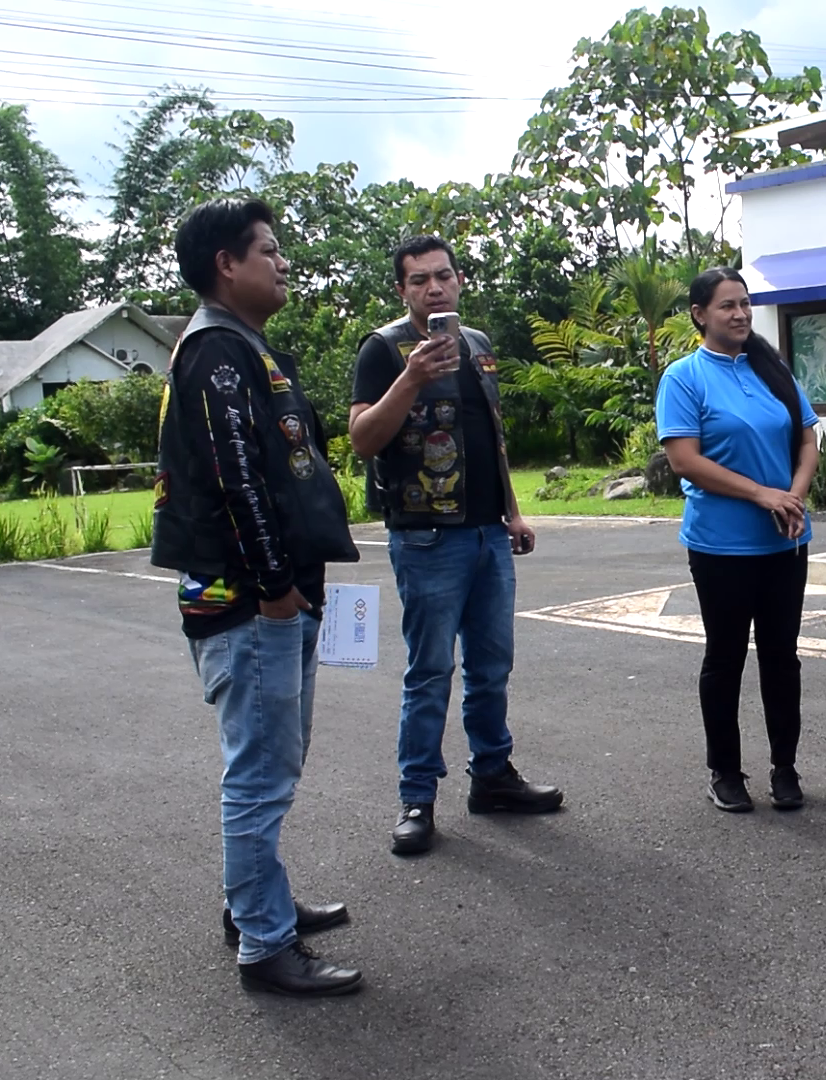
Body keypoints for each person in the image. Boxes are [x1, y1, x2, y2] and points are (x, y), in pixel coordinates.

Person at [151, 197, 363, 996]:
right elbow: (236, 477)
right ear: (226, 265)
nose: (282, 263)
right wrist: (275, 589)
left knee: (274, 763)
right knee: (260, 774)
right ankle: (265, 945)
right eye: (268, 250)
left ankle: (255, 903)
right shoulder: (217, 353)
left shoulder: (240, 347)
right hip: (250, 604)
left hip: (271, 596)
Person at [348, 236, 563, 856]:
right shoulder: (383, 349)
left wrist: (513, 512)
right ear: (402, 290)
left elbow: (491, 435)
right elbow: (363, 438)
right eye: (419, 280)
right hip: (425, 536)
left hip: (488, 533)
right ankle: (417, 797)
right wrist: (411, 377)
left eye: (442, 275)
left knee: (492, 666)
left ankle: (492, 776)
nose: (433, 288)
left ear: (460, 280)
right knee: (430, 672)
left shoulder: (478, 345)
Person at [657, 267, 820, 813]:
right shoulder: (684, 378)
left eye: (745, 304)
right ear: (700, 314)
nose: (741, 314)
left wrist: (792, 496)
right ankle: (725, 772)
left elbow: (807, 440)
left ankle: (785, 768)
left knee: (782, 659)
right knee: (725, 659)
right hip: (721, 546)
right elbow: (685, 461)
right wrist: (760, 494)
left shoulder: (772, 369)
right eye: (727, 305)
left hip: (784, 542)